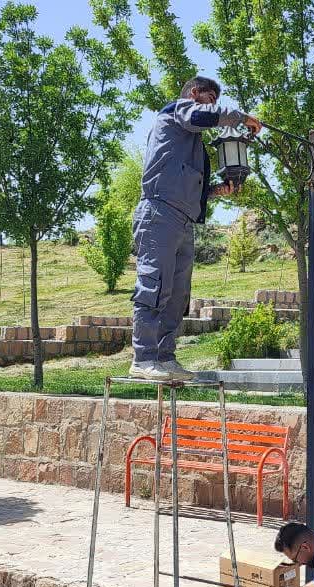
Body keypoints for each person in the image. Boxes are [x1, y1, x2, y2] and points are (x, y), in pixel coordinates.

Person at [130, 76, 262, 381]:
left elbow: (191, 185)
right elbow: (204, 116)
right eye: (210, 97)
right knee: (154, 286)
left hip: (183, 219)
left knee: (177, 295)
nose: (213, 104)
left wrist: (216, 191)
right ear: (193, 93)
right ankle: (143, 358)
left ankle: (165, 358)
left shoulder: (191, 144)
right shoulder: (176, 111)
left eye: (216, 100)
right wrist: (242, 118)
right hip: (159, 213)